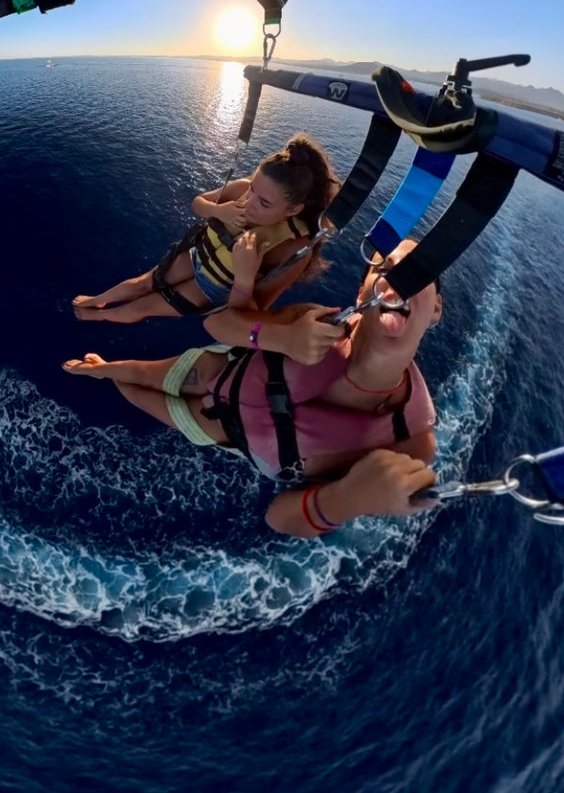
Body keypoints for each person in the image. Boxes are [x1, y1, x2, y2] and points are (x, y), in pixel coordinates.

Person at [63, 240, 440, 537]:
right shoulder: (314, 321)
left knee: (137, 395)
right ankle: (101, 370)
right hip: (215, 370)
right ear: (363, 293)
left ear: (436, 310)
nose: (401, 283)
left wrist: (347, 499)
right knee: (143, 373)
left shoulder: (410, 442)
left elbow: (279, 516)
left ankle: (108, 378)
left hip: (215, 428)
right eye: (388, 269)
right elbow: (222, 326)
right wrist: (282, 336)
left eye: (418, 274)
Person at [72, 134, 339, 324]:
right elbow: (197, 203)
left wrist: (246, 274)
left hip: (212, 288)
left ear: (293, 210)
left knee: (144, 306)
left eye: (265, 203)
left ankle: (99, 315)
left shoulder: (293, 249)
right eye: (254, 189)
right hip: (197, 254)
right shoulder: (242, 191)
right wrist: (218, 210)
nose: (251, 203)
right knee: (144, 283)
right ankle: (99, 299)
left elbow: (253, 313)